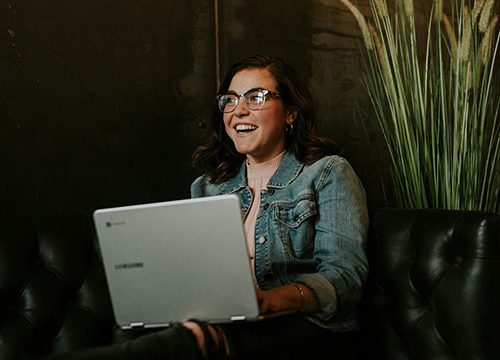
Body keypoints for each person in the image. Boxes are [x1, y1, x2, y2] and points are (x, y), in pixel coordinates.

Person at [43, 55, 368, 360]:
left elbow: (345, 278)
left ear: (291, 113)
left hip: (309, 329)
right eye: (230, 99)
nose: (238, 110)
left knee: (193, 346)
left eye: (256, 97)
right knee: (132, 336)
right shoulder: (208, 187)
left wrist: (271, 300)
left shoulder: (328, 173)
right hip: (228, 324)